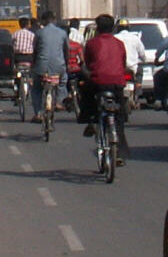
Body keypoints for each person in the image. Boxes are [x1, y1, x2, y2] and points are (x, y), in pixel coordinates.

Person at [78, 13, 130, 163]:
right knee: (119, 117)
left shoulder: (92, 43)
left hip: (99, 82)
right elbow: (123, 62)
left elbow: (87, 63)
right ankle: (119, 152)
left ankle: (89, 119)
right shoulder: (119, 43)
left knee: (87, 91)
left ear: (98, 28)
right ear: (113, 28)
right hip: (117, 83)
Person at [31, 10, 69, 121]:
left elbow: (35, 51)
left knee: (36, 88)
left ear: (43, 21)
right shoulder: (62, 33)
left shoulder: (39, 33)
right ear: (54, 19)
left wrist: (34, 65)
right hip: (59, 66)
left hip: (41, 67)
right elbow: (66, 51)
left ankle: (38, 113)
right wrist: (65, 66)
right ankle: (59, 101)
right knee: (63, 80)